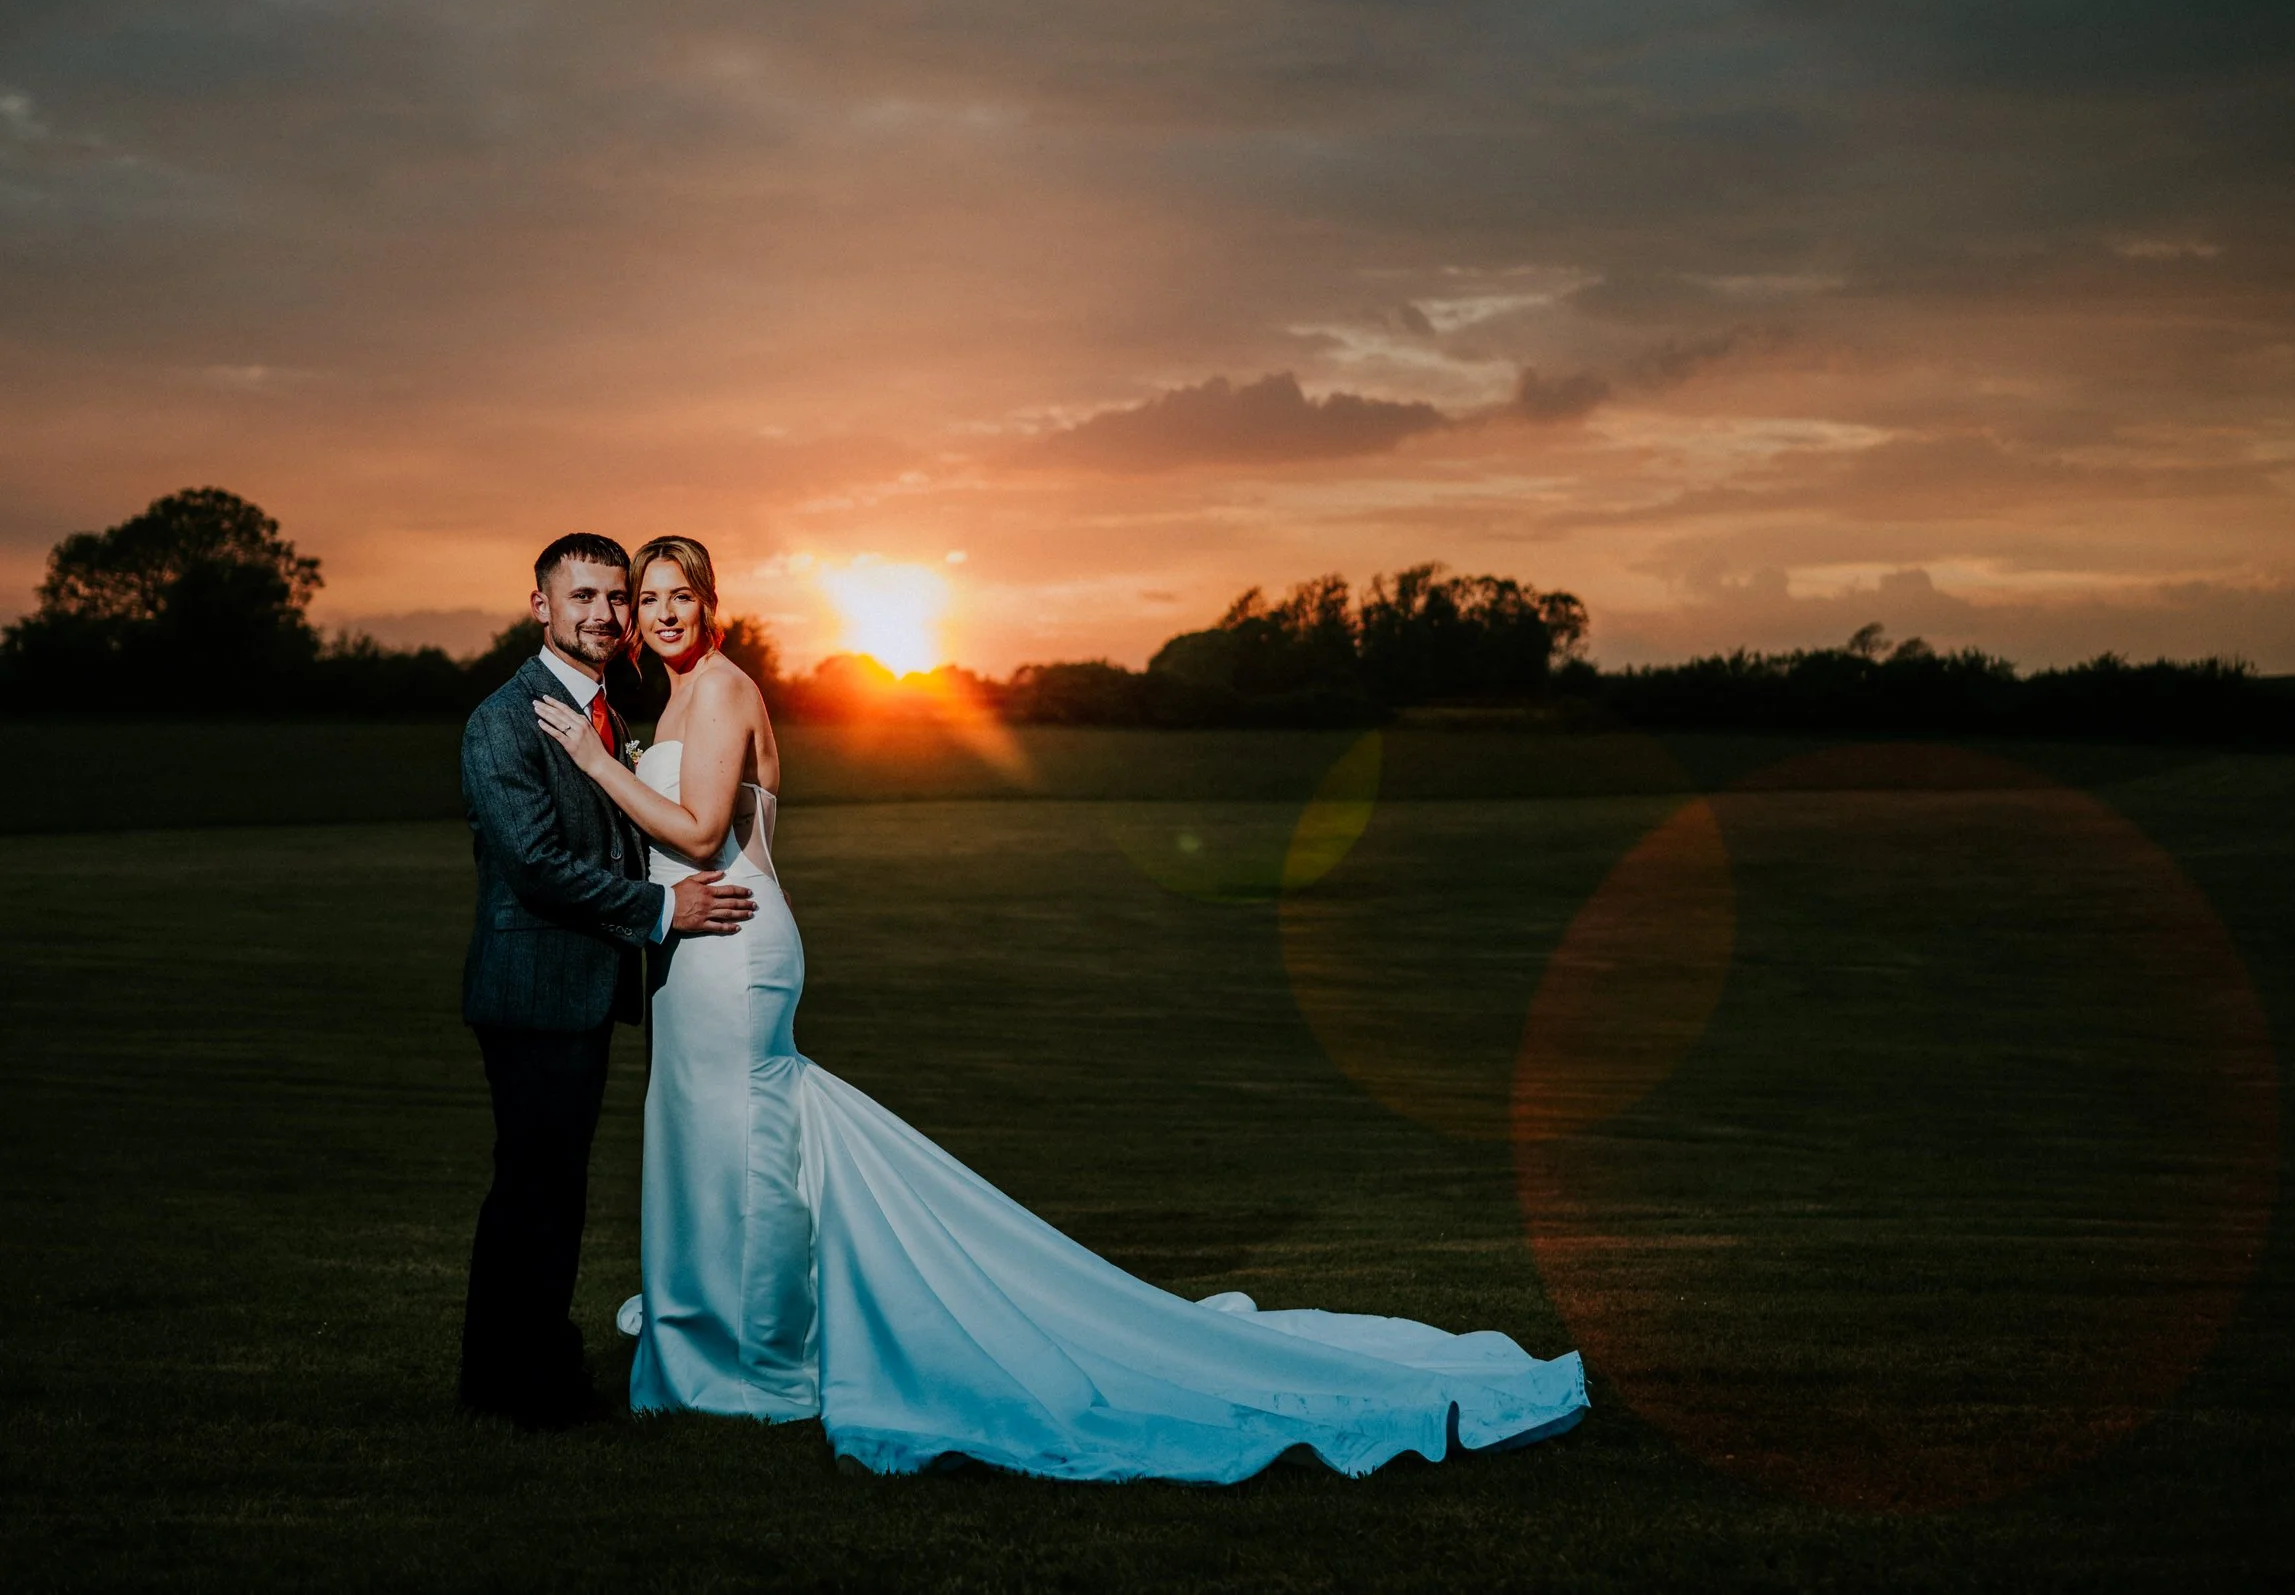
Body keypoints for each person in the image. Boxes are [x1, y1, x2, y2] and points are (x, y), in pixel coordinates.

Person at [531, 534, 1587, 1477]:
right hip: (689, 947)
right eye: (646, 597)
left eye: (678, 594)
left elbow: (704, 824)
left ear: (710, 604)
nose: (659, 612)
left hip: (730, 940)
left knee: (748, 1141)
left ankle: (752, 1365)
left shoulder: (716, 688)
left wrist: (592, 762)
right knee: (708, 1141)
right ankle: (712, 1335)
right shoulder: (667, 701)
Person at [455, 532, 758, 1429]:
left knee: (552, 1187)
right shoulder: (504, 719)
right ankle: (518, 1385)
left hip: (581, 988)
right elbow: (540, 864)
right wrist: (663, 913)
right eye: (582, 597)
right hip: (533, 985)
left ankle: (524, 1370)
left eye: (616, 598)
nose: (607, 614)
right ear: (541, 605)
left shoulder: (602, 711)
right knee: (534, 1189)